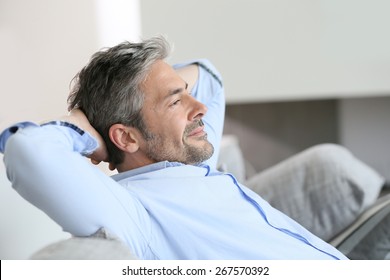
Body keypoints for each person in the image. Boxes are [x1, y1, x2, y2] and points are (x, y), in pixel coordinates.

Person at [0, 36, 384, 260]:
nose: (199, 108)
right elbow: (29, 151)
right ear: (127, 138)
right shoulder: (133, 211)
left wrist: (161, 87)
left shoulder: (191, 159)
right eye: (175, 102)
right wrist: (88, 128)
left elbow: (210, 77)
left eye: (186, 94)